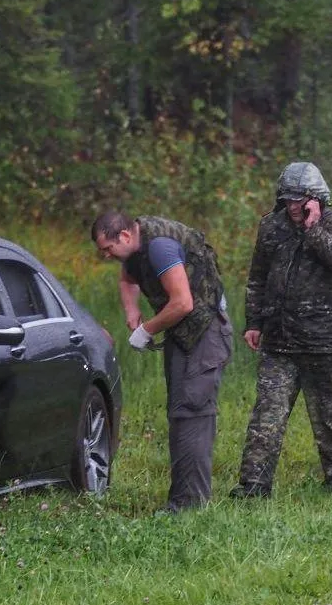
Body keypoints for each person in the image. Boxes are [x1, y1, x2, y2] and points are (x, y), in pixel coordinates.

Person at [231, 162, 332, 498]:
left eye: (300, 200)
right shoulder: (272, 227)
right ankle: (254, 486)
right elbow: (257, 277)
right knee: (266, 419)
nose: (293, 207)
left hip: (325, 343)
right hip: (280, 341)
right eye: (288, 200)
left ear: (316, 199)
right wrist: (254, 322)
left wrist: (313, 229)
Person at [91, 211, 233, 512]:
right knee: (179, 412)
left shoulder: (160, 247)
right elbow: (127, 278)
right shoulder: (133, 249)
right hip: (182, 333)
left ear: (126, 236)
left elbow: (183, 302)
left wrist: (147, 329)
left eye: (108, 249)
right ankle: (181, 500)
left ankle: (191, 505)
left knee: (193, 413)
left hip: (206, 332)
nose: (106, 256)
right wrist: (131, 310)